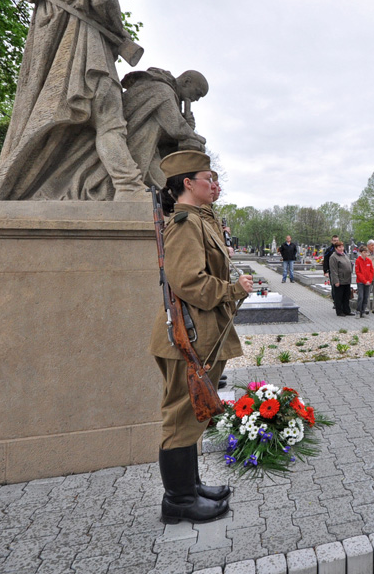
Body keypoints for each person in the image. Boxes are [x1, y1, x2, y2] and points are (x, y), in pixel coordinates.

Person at [0, 0, 148, 201]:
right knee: (110, 123)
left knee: (86, 128)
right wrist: (120, 33)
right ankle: (129, 187)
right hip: (90, 62)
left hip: (63, 69)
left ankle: (17, 187)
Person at [148, 151, 254, 524]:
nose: (216, 184)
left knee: (194, 412)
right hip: (190, 336)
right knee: (181, 416)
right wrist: (231, 289)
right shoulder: (185, 223)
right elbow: (187, 280)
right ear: (188, 183)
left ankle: (189, 488)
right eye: (209, 178)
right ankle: (178, 501)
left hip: (200, 333)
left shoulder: (199, 219)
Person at [119, 67, 208, 188]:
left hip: (148, 149)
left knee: (164, 186)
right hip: (134, 146)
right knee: (162, 186)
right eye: (198, 93)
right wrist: (197, 137)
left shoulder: (170, 95)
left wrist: (187, 126)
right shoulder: (163, 91)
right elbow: (176, 128)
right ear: (187, 81)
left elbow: (166, 135)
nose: (196, 99)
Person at [328, 242, 353, 316]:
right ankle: (339, 311)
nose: (341, 248)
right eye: (339, 247)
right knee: (339, 297)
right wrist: (336, 281)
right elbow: (333, 270)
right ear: (336, 248)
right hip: (340, 280)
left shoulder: (344, 255)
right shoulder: (333, 257)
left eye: (342, 247)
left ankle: (347, 310)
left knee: (346, 296)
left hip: (347, 279)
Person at [354, 245, 374, 318]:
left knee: (366, 297)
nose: (365, 254)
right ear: (360, 252)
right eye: (364, 252)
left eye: (367, 252)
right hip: (361, 282)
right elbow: (358, 272)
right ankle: (358, 311)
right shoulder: (358, 261)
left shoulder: (369, 261)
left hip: (368, 282)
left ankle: (363, 311)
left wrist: (369, 280)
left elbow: (371, 271)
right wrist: (364, 280)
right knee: (361, 296)